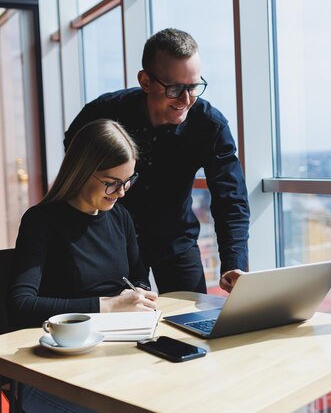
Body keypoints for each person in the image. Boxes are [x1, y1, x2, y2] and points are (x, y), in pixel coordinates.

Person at [65, 28, 250, 294]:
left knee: (191, 325)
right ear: (145, 81)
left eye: (194, 87)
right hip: (112, 241)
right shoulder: (103, 113)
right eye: (174, 88)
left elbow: (230, 199)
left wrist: (234, 263)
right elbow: (75, 164)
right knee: (118, 328)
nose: (186, 100)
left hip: (175, 241)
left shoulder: (210, 126)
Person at [8, 119, 157, 412]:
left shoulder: (120, 217)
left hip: (115, 355)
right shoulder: (41, 222)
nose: (122, 192)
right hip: (56, 367)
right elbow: (20, 305)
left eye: (128, 181)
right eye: (113, 183)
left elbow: (139, 276)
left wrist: (138, 295)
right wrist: (109, 306)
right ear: (82, 171)